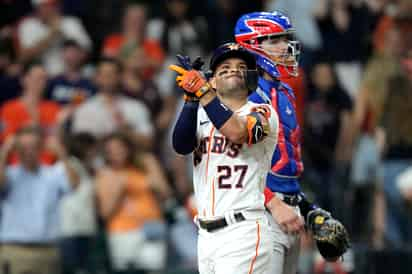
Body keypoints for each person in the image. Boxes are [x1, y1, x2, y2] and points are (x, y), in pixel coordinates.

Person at [235, 11, 342, 273]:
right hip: (260, 213)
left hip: (288, 210)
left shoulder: (285, 90)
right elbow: (239, 163)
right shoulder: (244, 94)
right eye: (274, 40)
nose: (285, 46)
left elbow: (285, 165)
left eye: (285, 39)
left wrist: (307, 209)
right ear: (252, 46)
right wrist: (272, 201)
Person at [170, 42, 278, 274]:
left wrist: (204, 93)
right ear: (213, 80)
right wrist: (191, 100)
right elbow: (180, 146)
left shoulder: (263, 112)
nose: (232, 69)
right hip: (206, 236)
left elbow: (237, 132)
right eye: (224, 67)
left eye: (241, 66)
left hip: (244, 231)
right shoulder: (201, 113)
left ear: (251, 79)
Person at [0, 126, 80, 274]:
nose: (28, 151)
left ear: (41, 148)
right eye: (23, 147)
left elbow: (74, 184)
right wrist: (4, 153)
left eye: (33, 146)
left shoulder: (53, 173)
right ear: (16, 150)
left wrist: (61, 154)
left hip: (48, 251)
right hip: (15, 250)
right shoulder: (10, 174)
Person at [96, 133, 171, 273]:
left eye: (120, 147)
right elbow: (105, 213)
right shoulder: (105, 174)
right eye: (111, 150)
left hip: (151, 228)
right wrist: (118, 190)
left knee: (155, 269)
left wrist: (151, 169)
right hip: (123, 232)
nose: (117, 152)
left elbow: (165, 193)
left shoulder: (143, 166)